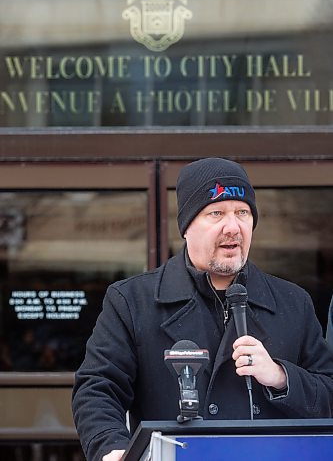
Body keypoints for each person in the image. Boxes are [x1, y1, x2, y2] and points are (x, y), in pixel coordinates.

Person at [72, 157, 333, 461]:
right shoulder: (132, 301)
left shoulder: (293, 302)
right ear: (186, 227)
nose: (233, 227)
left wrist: (280, 377)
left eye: (243, 212)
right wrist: (111, 448)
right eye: (216, 213)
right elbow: (97, 389)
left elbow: (328, 394)